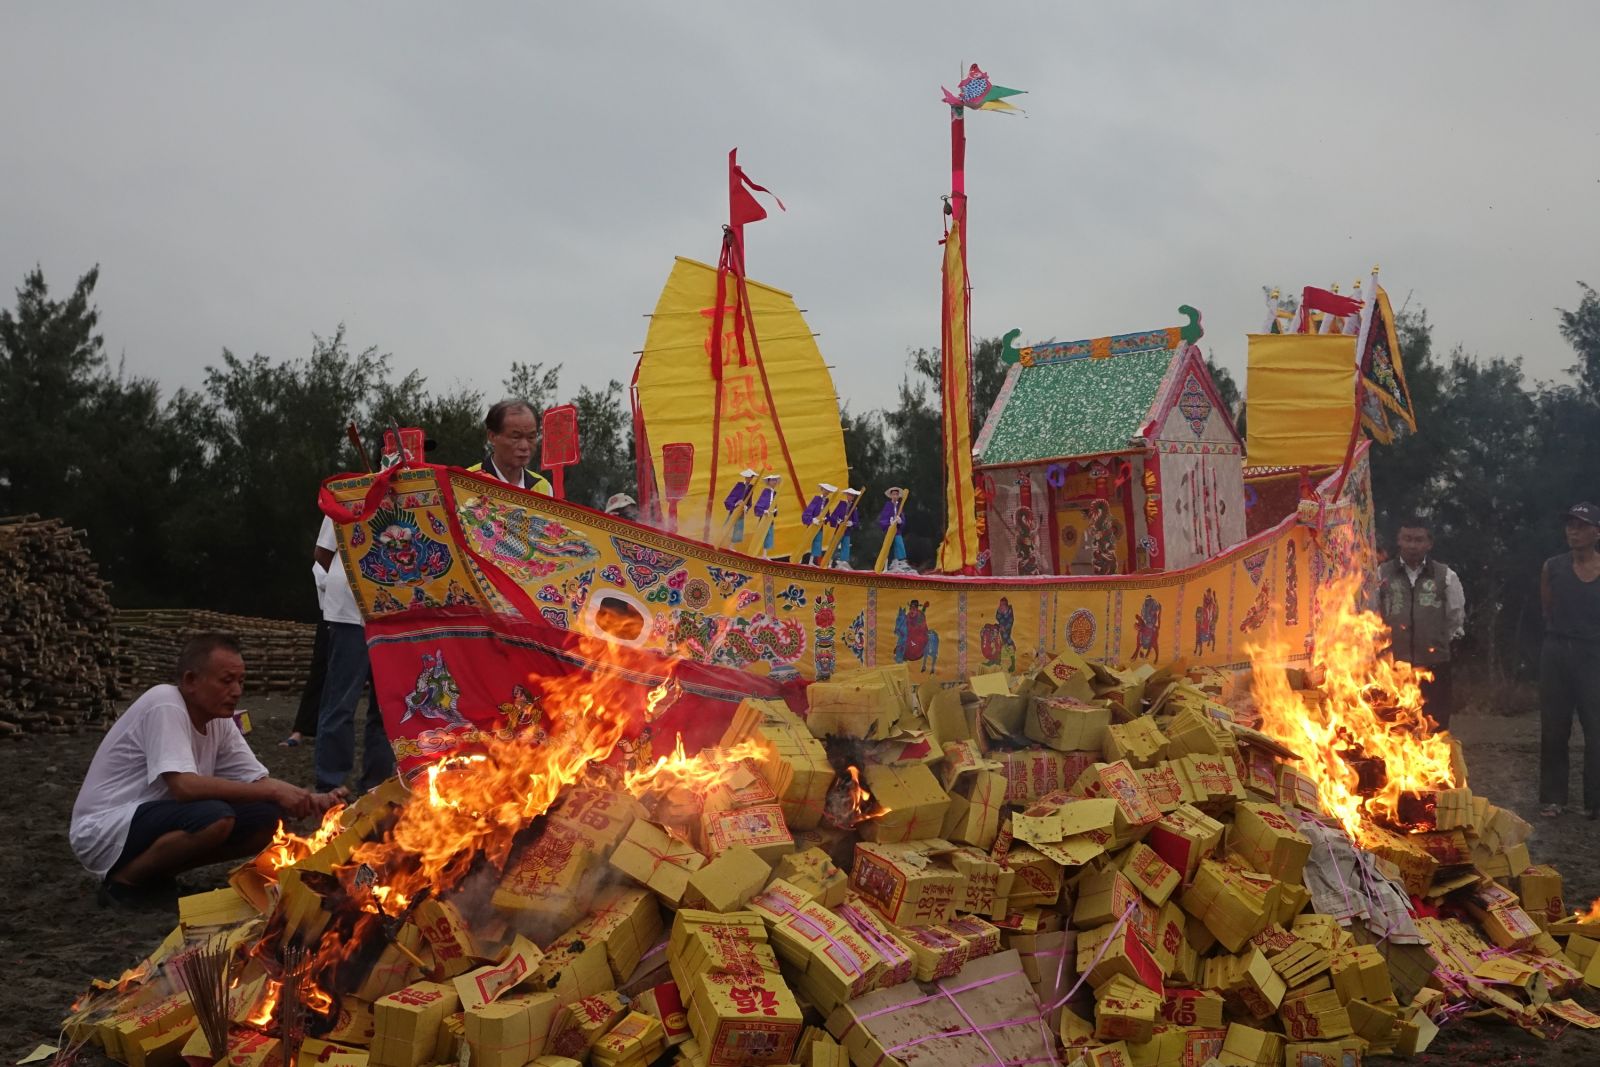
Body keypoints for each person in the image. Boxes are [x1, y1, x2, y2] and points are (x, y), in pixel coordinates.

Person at [70, 634, 335, 908]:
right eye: (226, 680)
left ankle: (159, 873)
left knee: (268, 819)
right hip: (105, 827)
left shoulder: (218, 719)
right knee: (215, 817)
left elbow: (257, 780)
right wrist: (272, 790)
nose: (236, 691)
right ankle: (124, 883)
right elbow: (184, 787)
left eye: (240, 681)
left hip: (156, 817)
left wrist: (309, 798)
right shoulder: (165, 702)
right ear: (190, 681)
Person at [314, 514, 396, 795]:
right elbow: (322, 553)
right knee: (341, 701)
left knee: (387, 706)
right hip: (349, 612)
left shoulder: (415, 494)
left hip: (393, 613)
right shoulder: (348, 496)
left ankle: (376, 787)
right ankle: (330, 786)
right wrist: (353, 580)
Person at [1538, 502, 1600, 819]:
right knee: (1554, 727)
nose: (1573, 530)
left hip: (1594, 654)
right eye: (1570, 525)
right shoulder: (1553, 566)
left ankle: (1595, 803)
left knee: (1597, 728)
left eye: (1581, 525)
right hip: (1557, 651)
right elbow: (1547, 609)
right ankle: (1553, 799)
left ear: (1596, 532)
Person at [1375, 516, 1465, 730]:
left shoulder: (1445, 576)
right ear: (1399, 540)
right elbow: (1371, 613)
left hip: (1434, 669)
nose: (1412, 545)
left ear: (1429, 543)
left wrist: (1434, 640)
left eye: (1418, 540)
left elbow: (1455, 617)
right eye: (1407, 539)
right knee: (1394, 732)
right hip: (1392, 668)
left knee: (1435, 730)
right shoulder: (1382, 574)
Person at [466, 399, 553, 493]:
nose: (524, 446)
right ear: (492, 436)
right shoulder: (466, 482)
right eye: (516, 437)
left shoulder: (543, 487)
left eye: (531, 437)